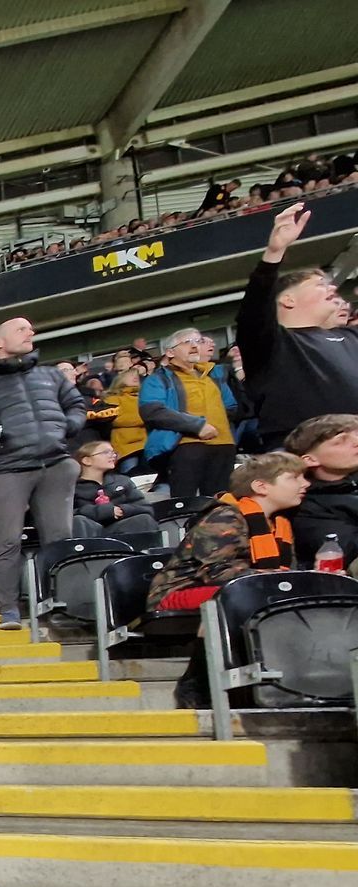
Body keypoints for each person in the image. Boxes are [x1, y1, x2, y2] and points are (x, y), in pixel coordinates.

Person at [0, 316, 87, 628]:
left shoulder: (51, 376)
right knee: (7, 540)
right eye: (21, 329)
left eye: (30, 328)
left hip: (56, 464)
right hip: (7, 468)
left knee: (60, 538)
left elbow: (77, 406)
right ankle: (8, 608)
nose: (31, 332)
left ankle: (63, 604)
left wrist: (69, 425)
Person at [147, 453, 312, 707]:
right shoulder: (225, 516)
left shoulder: (280, 525)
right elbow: (214, 572)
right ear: (261, 486)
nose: (305, 484)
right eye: (293, 478)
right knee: (241, 595)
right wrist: (269, 579)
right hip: (179, 591)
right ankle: (196, 684)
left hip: (239, 588)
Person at [234, 203, 358, 445]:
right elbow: (254, 309)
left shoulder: (350, 336)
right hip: (302, 459)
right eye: (320, 285)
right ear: (287, 300)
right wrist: (274, 252)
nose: (332, 288)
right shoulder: (271, 345)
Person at [140, 328, 239, 499]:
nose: (194, 346)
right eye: (187, 342)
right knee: (186, 502)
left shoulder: (214, 375)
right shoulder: (159, 378)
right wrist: (197, 425)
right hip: (185, 445)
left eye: (198, 341)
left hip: (224, 445)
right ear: (170, 352)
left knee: (221, 504)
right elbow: (152, 411)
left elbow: (231, 407)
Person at [285, 413, 358, 571]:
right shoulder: (307, 505)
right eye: (340, 442)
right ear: (310, 460)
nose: (356, 443)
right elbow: (340, 551)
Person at [71, 440, 161, 544]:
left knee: (144, 519)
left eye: (113, 452)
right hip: (90, 530)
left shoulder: (122, 481)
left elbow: (146, 508)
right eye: (105, 452)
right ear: (87, 460)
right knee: (78, 521)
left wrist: (122, 510)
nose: (112, 456)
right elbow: (67, 515)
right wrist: (105, 511)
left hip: (120, 528)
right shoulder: (72, 486)